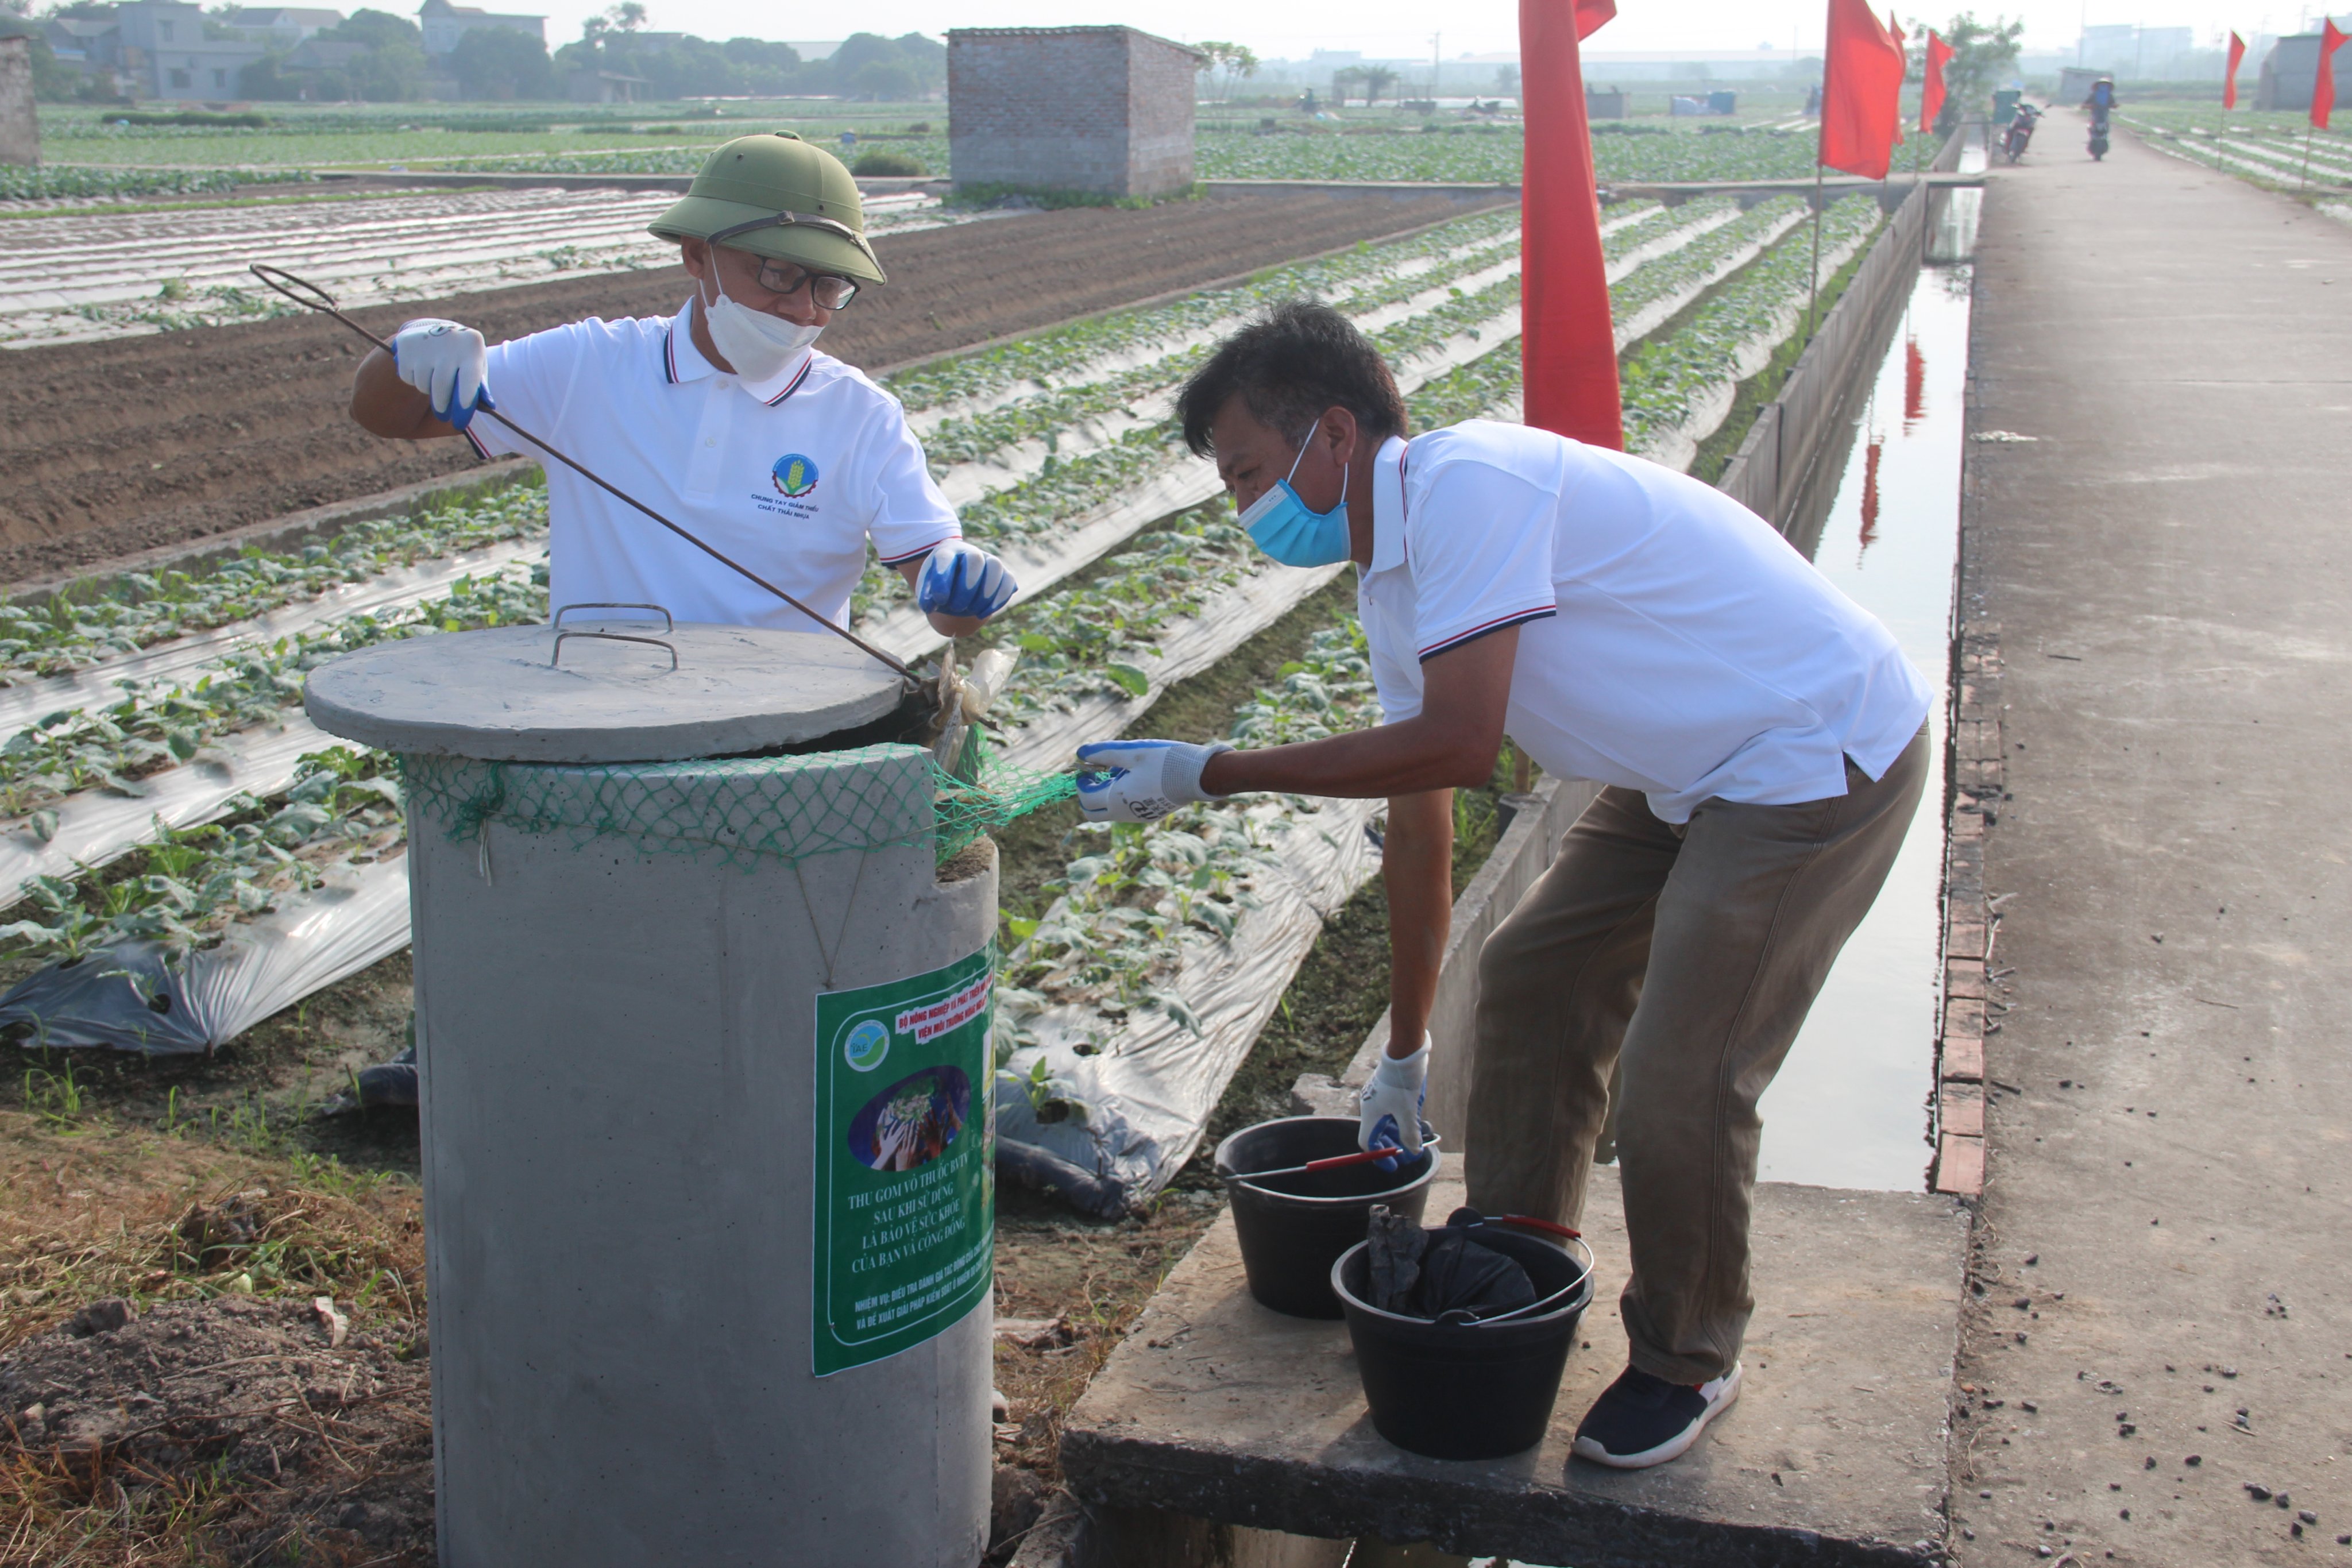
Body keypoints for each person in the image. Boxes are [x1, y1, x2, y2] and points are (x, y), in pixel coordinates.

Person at [1073, 302, 1930, 1471]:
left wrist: (1208, 772)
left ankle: (1689, 1353)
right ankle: (1519, 1255)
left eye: (1247, 474)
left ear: (1333, 434)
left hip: (1808, 754)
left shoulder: (1472, 483)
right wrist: (1405, 1054)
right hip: (1681, 768)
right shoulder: (1388, 586)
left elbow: (1461, 743)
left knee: (1684, 1071)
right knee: (1532, 970)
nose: (1244, 512)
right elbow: (1418, 821)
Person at [345, 133, 1018, 1109]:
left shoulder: (856, 417)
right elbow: (395, 415)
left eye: (830, 290)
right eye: (778, 274)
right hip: (595, 720)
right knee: (591, 941)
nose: (802, 310)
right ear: (697, 256)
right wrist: (409, 357)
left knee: (747, 964)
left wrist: (957, 589)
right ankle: (550, 1086)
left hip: (775, 743)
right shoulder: (590, 368)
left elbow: (930, 574)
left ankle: (739, 1099)